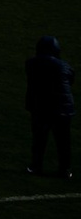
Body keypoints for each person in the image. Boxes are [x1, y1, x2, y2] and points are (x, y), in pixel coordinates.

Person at [29, 36, 73, 178]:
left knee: (39, 139)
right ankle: (64, 170)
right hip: (64, 108)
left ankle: (36, 166)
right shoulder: (64, 65)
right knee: (63, 142)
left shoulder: (31, 63)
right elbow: (70, 79)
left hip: (42, 107)